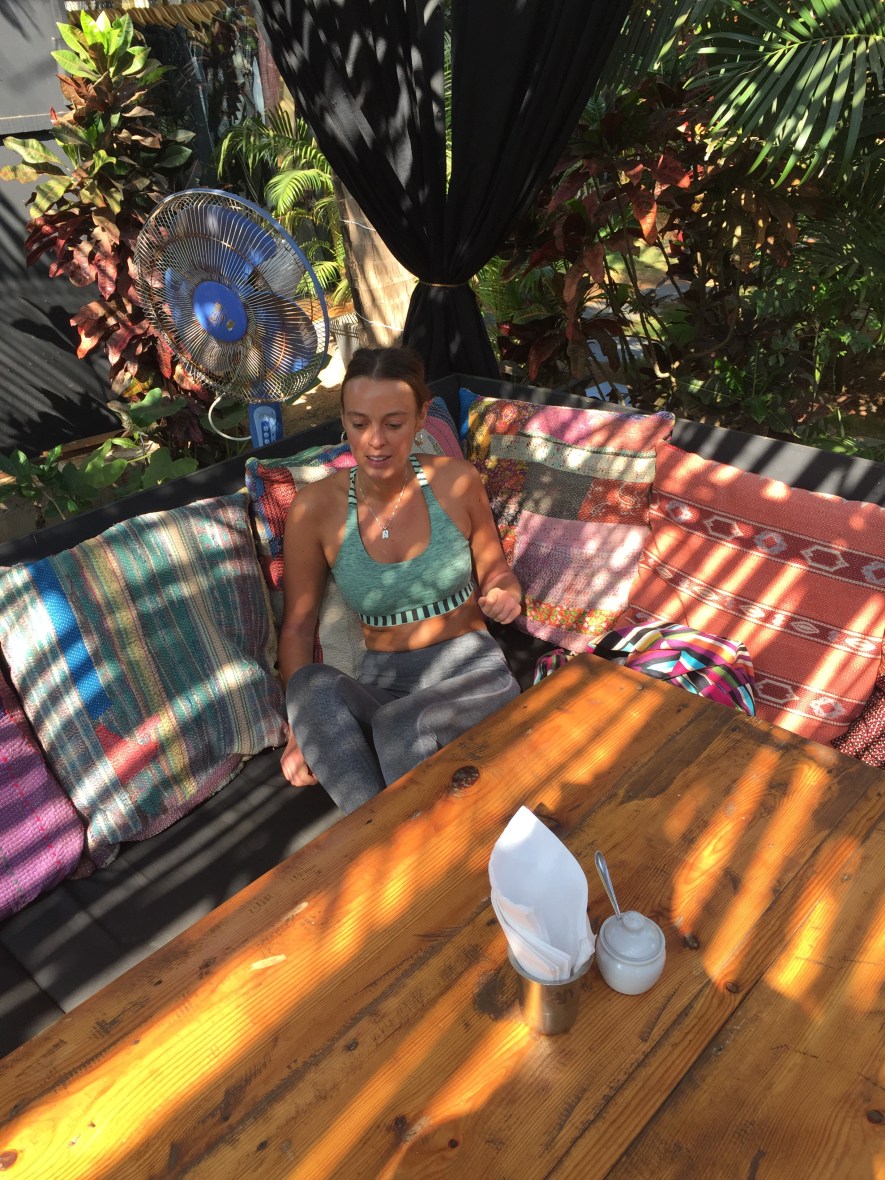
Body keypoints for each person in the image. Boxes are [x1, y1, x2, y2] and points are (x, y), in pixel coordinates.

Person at [278, 346, 522, 813]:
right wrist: (299, 731)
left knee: (399, 726)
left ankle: (393, 838)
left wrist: (503, 593)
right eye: (359, 423)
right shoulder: (314, 509)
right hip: (385, 686)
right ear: (344, 421)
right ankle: (381, 832)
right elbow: (297, 628)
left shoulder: (456, 482)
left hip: (473, 676)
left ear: (420, 417)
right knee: (309, 686)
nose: (375, 441)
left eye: (393, 424)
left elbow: (497, 572)